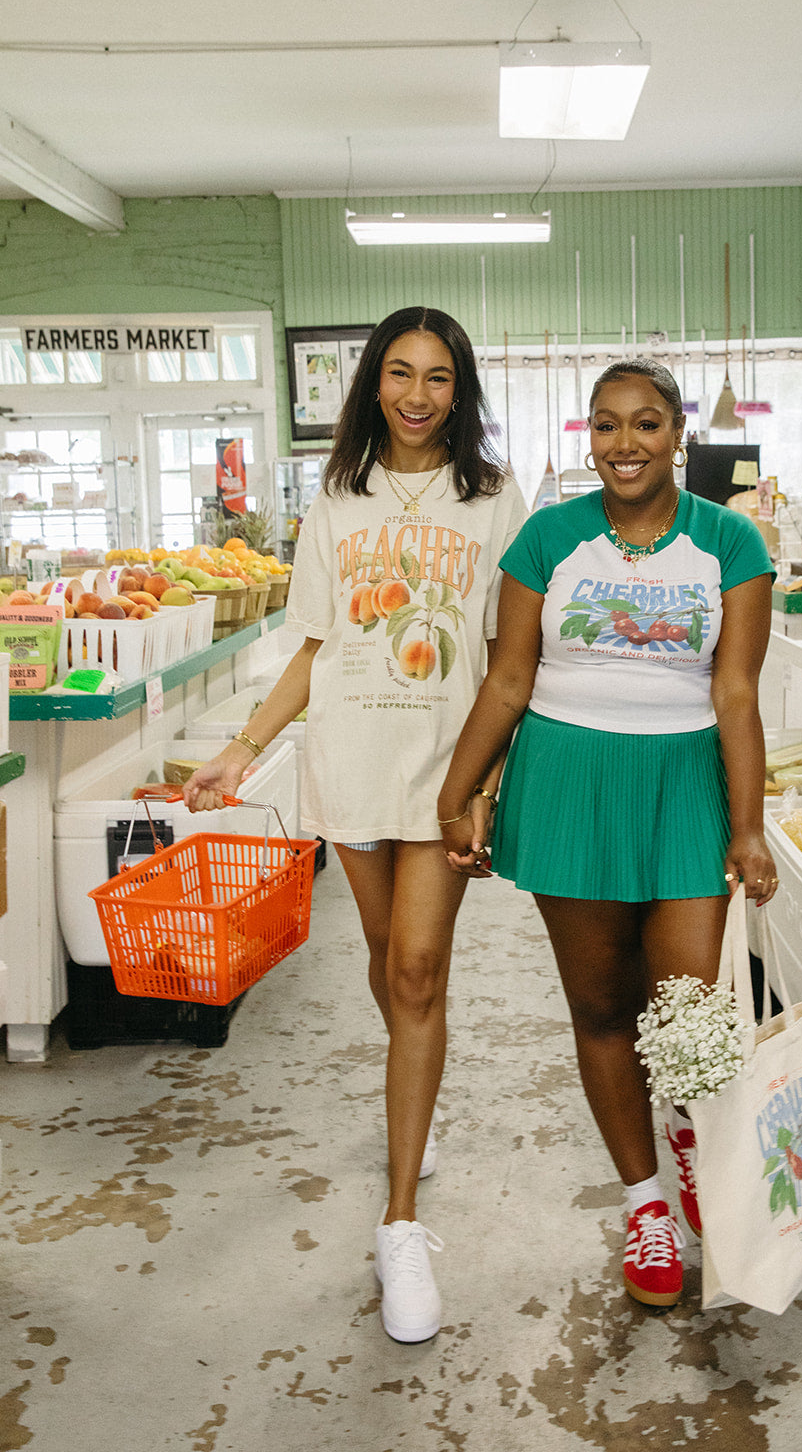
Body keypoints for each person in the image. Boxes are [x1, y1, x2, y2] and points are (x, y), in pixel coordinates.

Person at [181, 306, 526, 1344]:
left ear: (460, 389)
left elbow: (513, 655)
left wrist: (489, 780)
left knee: (418, 971)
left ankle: (400, 1223)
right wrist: (245, 747)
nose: (417, 393)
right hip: (351, 758)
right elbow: (313, 647)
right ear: (372, 383)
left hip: (445, 770)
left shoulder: (494, 498)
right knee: (386, 965)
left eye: (437, 376)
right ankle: (408, 1088)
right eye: (398, 373)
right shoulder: (335, 498)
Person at [437, 356, 777, 1308]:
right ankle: (645, 1205)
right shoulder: (546, 539)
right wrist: (455, 796)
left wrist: (746, 827)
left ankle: (686, 1135)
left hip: (682, 783)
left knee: (688, 1012)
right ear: (588, 437)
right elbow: (507, 679)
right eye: (605, 425)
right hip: (568, 782)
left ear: (678, 435)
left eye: (645, 424)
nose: (624, 444)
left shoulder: (729, 543)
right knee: (598, 1008)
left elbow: (736, 691)